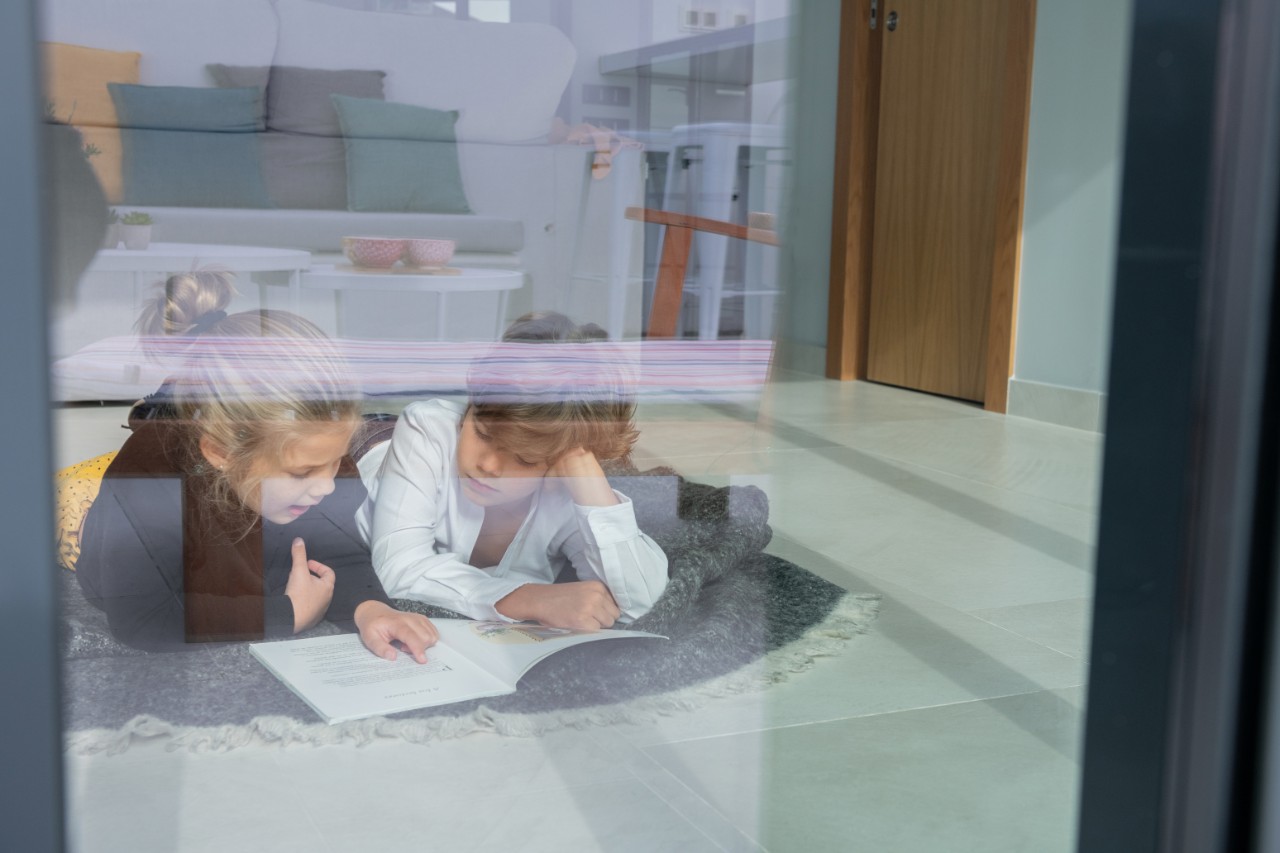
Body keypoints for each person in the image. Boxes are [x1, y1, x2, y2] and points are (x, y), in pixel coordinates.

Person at [76, 270, 438, 658]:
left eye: (335, 462)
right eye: (302, 473)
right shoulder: (148, 477)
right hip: (137, 547)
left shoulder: (315, 451)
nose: (327, 485)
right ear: (221, 452)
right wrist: (286, 614)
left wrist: (371, 608)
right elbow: (145, 619)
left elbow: (340, 553)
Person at [357, 311, 669, 630]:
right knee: (354, 432)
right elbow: (400, 568)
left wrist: (582, 465)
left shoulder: (566, 486)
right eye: (483, 434)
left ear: (559, 460)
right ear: (469, 408)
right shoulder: (426, 429)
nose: (488, 466)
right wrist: (531, 599)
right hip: (376, 442)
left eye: (523, 459)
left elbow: (644, 603)